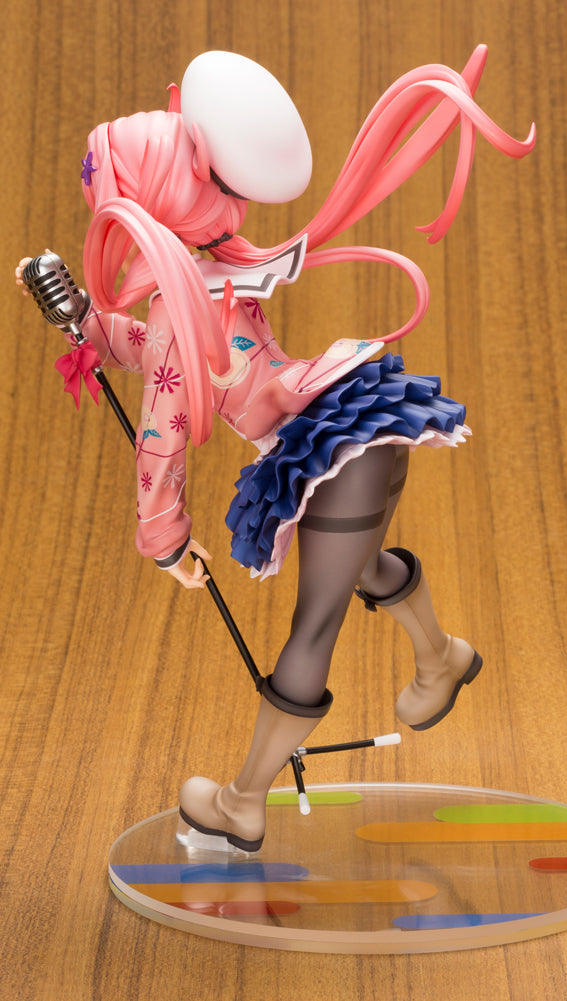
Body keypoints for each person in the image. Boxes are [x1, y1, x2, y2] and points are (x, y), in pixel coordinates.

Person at [17, 49, 535, 852]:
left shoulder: (189, 295)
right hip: (353, 426)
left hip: (331, 449)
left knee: (313, 624)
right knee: (355, 568)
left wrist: (164, 537)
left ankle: (241, 802)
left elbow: (162, 427)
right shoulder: (210, 276)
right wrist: (82, 319)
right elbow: (156, 348)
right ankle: (440, 657)